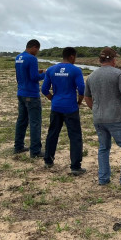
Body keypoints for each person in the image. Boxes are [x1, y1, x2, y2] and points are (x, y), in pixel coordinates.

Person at [83, 47, 121, 187]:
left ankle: (103, 179)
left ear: (101, 60)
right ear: (113, 60)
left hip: (99, 118)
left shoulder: (92, 76)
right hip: (116, 118)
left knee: (104, 147)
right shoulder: (118, 74)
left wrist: (96, 109)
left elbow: (87, 97)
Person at [41, 47, 86, 176]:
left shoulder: (51, 69)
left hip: (56, 106)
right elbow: (81, 88)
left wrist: (53, 99)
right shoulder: (76, 70)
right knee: (75, 136)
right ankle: (75, 167)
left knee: (53, 133)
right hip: (70, 107)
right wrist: (79, 101)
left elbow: (44, 89)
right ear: (72, 56)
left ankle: (48, 160)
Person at [14, 39, 45, 157]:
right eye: (37, 49)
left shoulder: (18, 57)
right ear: (34, 47)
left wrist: (39, 71)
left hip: (21, 92)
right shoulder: (32, 58)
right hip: (31, 94)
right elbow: (34, 77)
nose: (37, 52)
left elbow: (21, 73)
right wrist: (45, 74)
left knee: (21, 121)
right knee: (35, 123)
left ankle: (18, 146)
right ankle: (35, 151)